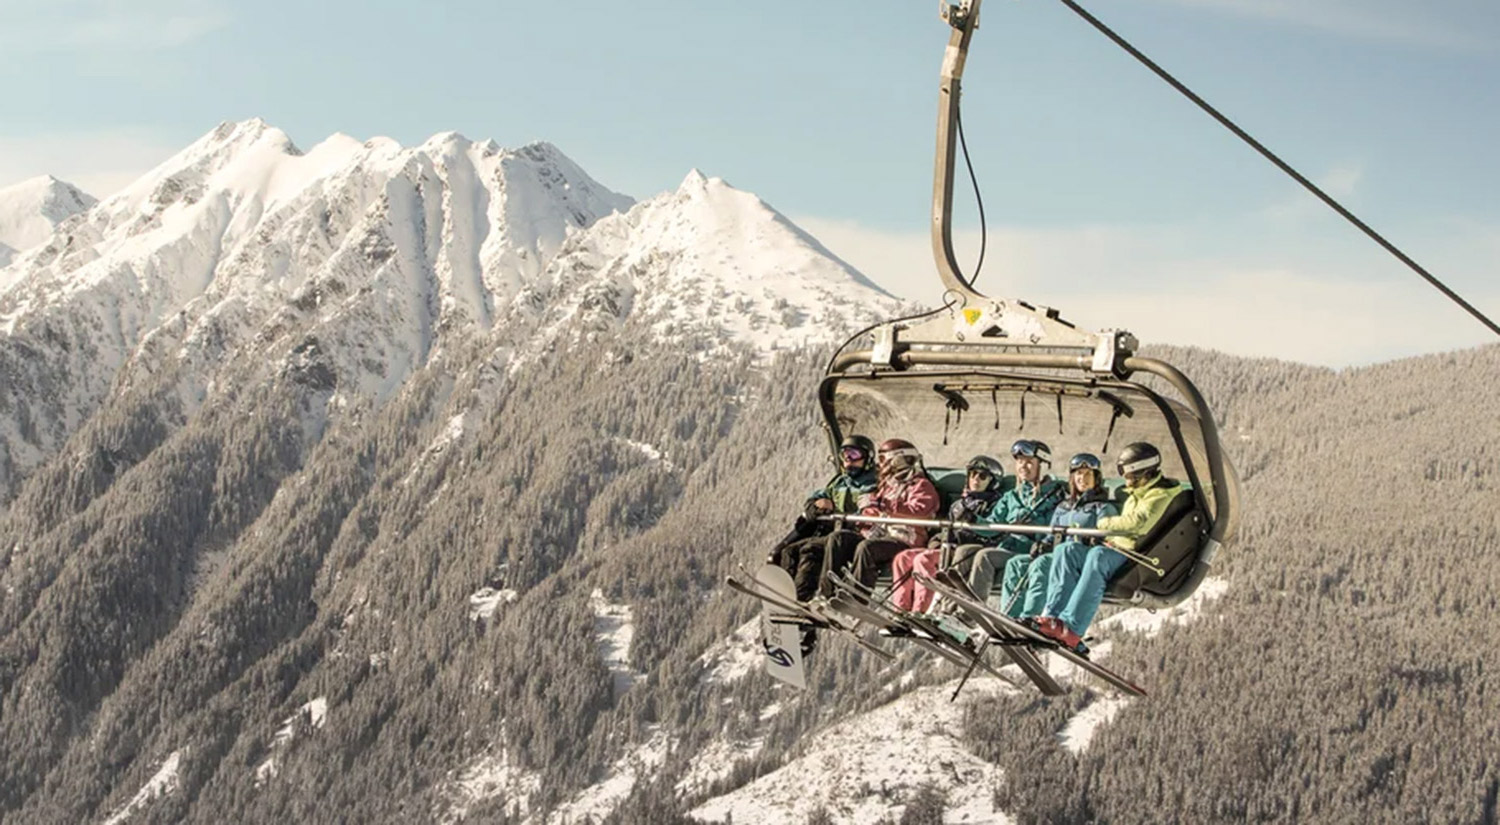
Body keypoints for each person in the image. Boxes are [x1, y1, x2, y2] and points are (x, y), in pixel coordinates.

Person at [1038, 442, 1181, 655]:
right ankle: (1053, 617)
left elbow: (1138, 521)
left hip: (1136, 556)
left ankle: (1072, 628)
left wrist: (1103, 525)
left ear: (1142, 471)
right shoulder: (1141, 492)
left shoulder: (1159, 494)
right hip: (1118, 547)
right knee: (1067, 550)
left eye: (1127, 473)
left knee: (1098, 556)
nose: (1124, 479)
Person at [1000, 452, 1118, 622]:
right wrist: (1043, 544)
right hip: (1057, 555)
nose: (1082, 478)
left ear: (1096, 479)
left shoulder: (1102, 507)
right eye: (1078, 473)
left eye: (1087, 475)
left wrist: (1091, 541)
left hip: (1078, 560)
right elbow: (1051, 535)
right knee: (1016, 563)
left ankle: (1030, 618)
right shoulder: (1064, 507)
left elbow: (1107, 538)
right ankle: (1009, 617)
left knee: (1042, 564)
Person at [822, 438, 940, 596]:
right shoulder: (887, 486)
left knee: (867, 548)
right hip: (879, 535)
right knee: (838, 539)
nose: (881, 463)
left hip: (903, 540)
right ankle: (827, 594)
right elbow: (874, 510)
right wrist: (865, 517)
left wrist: (884, 505)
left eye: (884, 459)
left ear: (898, 459)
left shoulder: (920, 485)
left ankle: (857, 597)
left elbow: (920, 511)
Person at [768, 434, 878, 603]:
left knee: (813, 549)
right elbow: (818, 497)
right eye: (845, 455)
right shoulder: (840, 482)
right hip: (836, 534)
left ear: (868, 458)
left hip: (856, 535)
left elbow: (872, 510)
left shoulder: (873, 483)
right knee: (791, 551)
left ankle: (827, 595)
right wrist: (817, 505)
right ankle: (793, 599)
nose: (849, 460)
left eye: (854, 455)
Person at [889, 455, 1003, 613]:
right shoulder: (959, 504)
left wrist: (970, 525)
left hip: (965, 550)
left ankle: (920, 610)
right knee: (903, 558)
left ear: (992, 482)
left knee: (924, 560)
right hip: (947, 547)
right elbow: (946, 528)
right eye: (972, 474)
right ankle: (900, 609)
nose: (975, 479)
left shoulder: (994, 504)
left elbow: (992, 532)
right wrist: (937, 541)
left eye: (982, 476)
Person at [964, 440, 1066, 611]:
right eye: (1019, 462)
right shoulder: (1012, 496)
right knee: (971, 555)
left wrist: (1036, 533)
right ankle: (958, 607)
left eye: (1029, 462)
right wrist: (973, 520)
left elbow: (1059, 522)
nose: (1023, 467)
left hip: (1034, 550)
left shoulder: (1056, 496)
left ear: (1043, 465)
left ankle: (975, 611)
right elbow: (992, 525)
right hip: (1010, 548)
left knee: (986, 556)